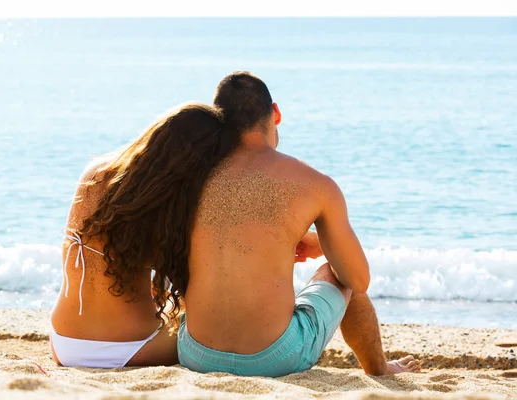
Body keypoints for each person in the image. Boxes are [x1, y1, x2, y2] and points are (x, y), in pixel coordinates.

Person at [178, 72, 421, 377]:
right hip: (272, 359)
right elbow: (357, 279)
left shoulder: (193, 178)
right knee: (339, 273)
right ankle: (379, 369)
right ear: (275, 113)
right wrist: (323, 245)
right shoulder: (314, 183)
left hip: (195, 354)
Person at [50, 103, 236, 368]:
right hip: (133, 348)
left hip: (63, 342)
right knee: (224, 324)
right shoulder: (174, 207)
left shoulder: (95, 173)